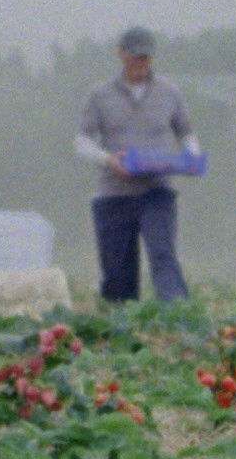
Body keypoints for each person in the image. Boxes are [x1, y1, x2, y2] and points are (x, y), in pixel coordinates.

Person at [74, 26, 200, 304]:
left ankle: (178, 317)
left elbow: (186, 133)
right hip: (114, 193)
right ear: (121, 54)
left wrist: (191, 156)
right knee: (118, 276)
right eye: (136, 56)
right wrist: (107, 159)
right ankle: (122, 326)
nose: (142, 62)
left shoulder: (170, 92)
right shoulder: (100, 95)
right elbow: (82, 141)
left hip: (157, 190)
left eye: (146, 57)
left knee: (163, 255)